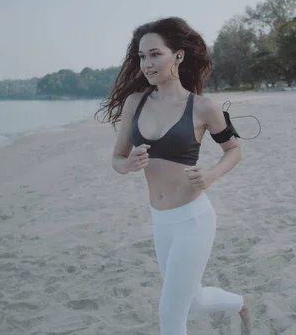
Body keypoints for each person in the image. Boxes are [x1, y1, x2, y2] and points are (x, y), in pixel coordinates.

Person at [95, 17, 253, 335]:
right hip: (161, 222)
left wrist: (211, 175)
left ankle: (240, 304)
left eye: (155, 54)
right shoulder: (135, 103)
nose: (147, 64)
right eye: (142, 57)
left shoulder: (204, 108)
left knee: (170, 316)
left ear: (178, 56)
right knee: (191, 301)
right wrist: (127, 165)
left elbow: (234, 151)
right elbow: (116, 157)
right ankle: (241, 303)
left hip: (194, 220)